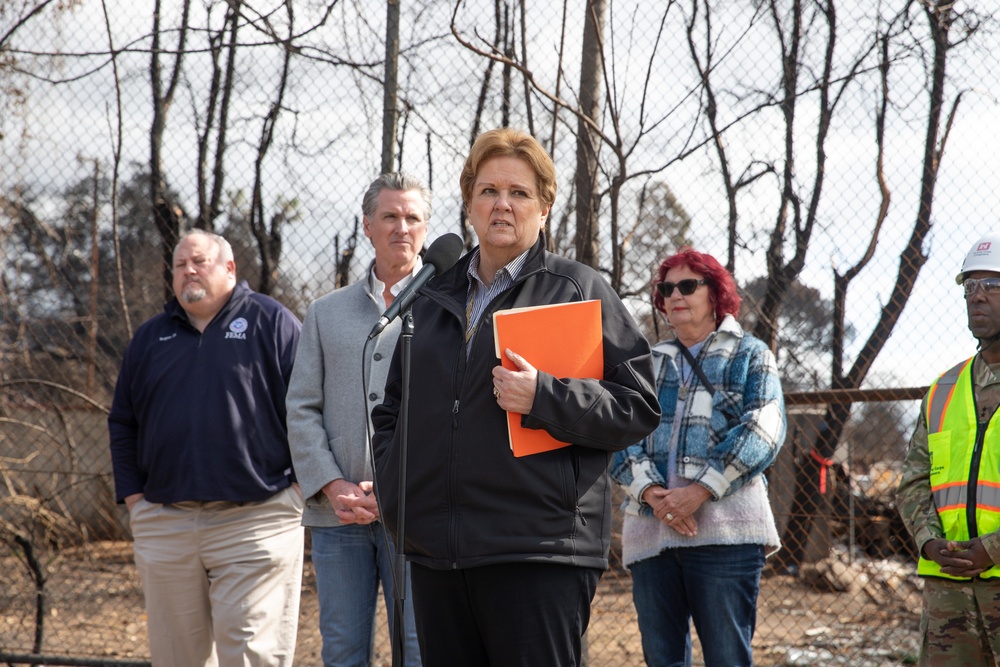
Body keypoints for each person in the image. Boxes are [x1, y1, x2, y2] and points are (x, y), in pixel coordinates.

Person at [370, 127, 660, 667]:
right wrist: (397, 491)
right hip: (438, 554)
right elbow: (392, 411)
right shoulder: (430, 297)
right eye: (488, 191)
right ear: (470, 204)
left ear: (545, 208)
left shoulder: (577, 288)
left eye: (519, 193)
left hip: (538, 553)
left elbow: (638, 405)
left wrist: (545, 396)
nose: (501, 204)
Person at [108, 229, 304, 667]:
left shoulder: (272, 323)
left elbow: (312, 410)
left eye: (199, 261)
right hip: (166, 522)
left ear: (230, 268)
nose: (188, 271)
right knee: (178, 658)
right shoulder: (149, 338)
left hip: (256, 520)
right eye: (180, 265)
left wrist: (297, 490)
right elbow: (123, 421)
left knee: (252, 656)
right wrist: (136, 501)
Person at [610, 247, 786, 667]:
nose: (674, 295)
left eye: (688, 285)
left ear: (717, 293)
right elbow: (618, 435)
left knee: (727, 658)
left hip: (726, 539)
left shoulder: (751, 353)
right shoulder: (645, 365)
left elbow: (764, 427)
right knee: (662, 660)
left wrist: (701, 490)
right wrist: (653, 493)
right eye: (666, 289)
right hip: (652, 537)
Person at [286, 172, 427, 667]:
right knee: (343, 650)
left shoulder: (448, 311)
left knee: (419, 649)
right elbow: (301, 407)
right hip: (337, 514)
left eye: (412, 217)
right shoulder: (326, 313)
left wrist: (403, 486)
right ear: (367, 225)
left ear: (426, 228)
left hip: (419, 515)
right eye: (389, 216)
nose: (401, 228)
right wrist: (330, 484)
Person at [897, 231, 1000, 666]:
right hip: (949, 595)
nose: (977, 297)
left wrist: (991, 549)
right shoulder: (943, 389)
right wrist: (929, 543)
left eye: (992, 285)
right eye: (969, 287)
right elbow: (913, 484)